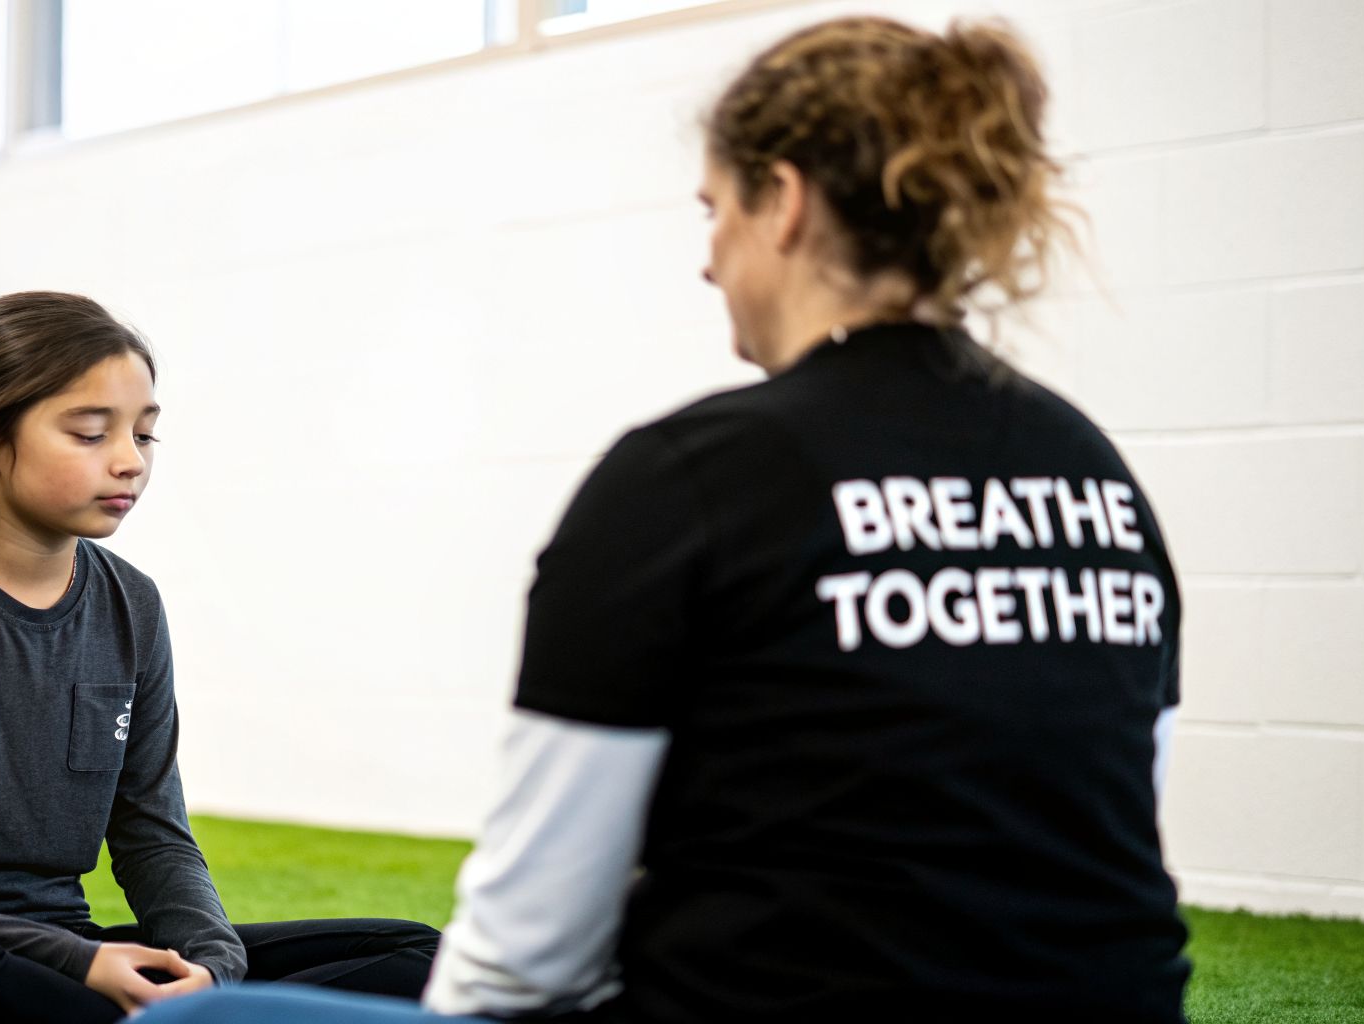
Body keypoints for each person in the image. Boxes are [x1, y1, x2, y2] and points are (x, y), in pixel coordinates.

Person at [144, 13, 1189, 1024]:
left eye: (712, 212)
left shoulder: (688, 476)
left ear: (782, 203)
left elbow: (524, 950)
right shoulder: (1096, 477)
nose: (707, 260)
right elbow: (1109, 820)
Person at [0, 291, 440, 1024]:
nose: (129, 462)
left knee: (417, 955)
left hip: (61, 955)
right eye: (90, 433)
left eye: (145, 437)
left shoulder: (132, 606)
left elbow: (153, 832)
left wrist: (211, 968)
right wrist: (79, 963)